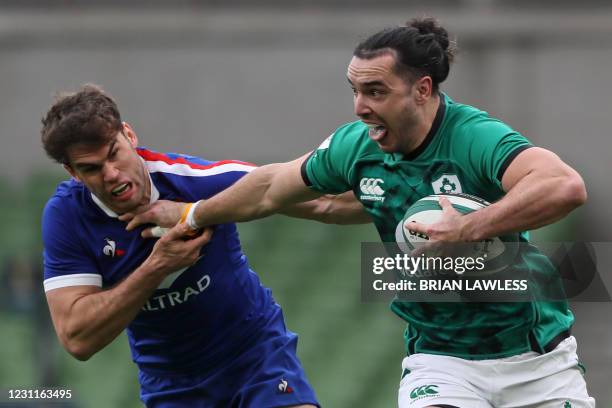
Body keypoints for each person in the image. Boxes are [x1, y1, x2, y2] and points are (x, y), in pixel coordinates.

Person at [124, 18, 596, 408]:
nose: (360, 107)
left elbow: (564, 186)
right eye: (354, 90)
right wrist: (191, 213)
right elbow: (271, 188)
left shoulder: (474, 137)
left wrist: (468, 228)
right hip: (442, 362)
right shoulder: (355, 146)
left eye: (375, 91)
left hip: (538, 362)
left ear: (422, 89)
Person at [40, 84, 367, 408]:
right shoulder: (67, 217)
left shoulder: (197, 181)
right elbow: (76, 338)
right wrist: (159, 265)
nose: (111, 174)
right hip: (172, 386)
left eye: (114, 153)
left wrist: (406, 197)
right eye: (91, 168)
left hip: (255, 358)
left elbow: (329, 204)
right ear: (73, 173)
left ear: (129, 135)